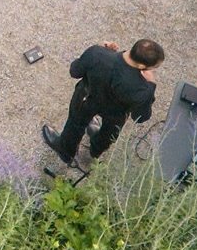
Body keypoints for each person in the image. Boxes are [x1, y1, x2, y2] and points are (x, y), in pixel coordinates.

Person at [42, 39, 166, 170]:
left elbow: (75, 71)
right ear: (142, 66)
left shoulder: (96, 53)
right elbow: (140, 117)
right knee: (108, 134)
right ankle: (94, 152)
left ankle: (66, 151)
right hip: (115, 113)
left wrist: (104, 51)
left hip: (87, 98)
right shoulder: (142, 88)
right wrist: (151, 85)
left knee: (75, 123)